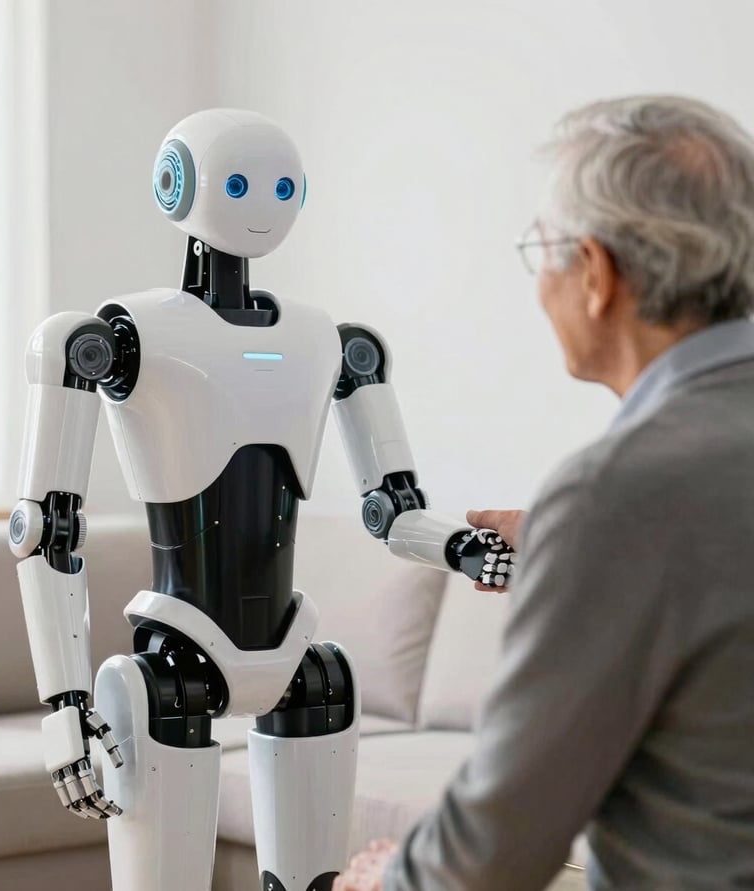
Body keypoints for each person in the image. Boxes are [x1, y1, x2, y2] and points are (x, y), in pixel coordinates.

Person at [334, 95, 754, 890]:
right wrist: (577, 559)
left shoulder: (615, 497)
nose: (542, 283)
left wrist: (384, 881)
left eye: (545, 251)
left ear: (595, 273)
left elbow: (494, 849)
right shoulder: (621, 514)